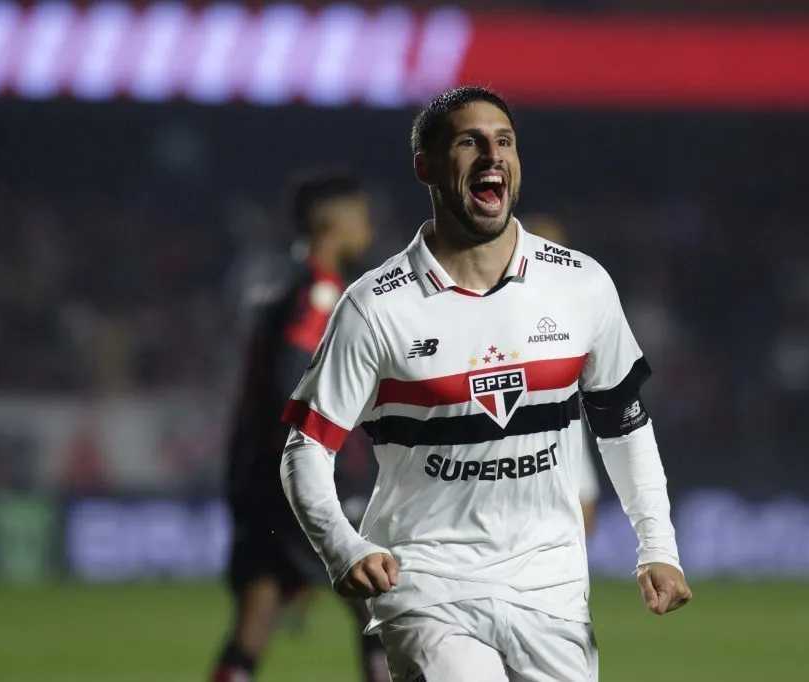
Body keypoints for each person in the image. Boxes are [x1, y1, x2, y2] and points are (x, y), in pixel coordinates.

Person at [280, 87, 691, 682]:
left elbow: (625, 425)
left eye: (503, 141)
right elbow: (306, 450)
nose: (490, 155)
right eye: (469, 142)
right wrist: (342, 547)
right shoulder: (374, 308)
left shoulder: (581, 286)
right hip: (426, 585)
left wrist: (658, 546)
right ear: (426, 166)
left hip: (551, 589)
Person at [212, 170, 390, 682]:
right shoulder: (320, 294)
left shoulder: (282, 288)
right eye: (361, 216)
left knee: (257, 615)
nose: (368, 227)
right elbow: (291, 379)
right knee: (381, 609)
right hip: (310, 475)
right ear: (334, 226)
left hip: (258, 474)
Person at [521, 213, 601, 537]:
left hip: (566, 425)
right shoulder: (501, 306)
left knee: (585, 518)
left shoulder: (573, 304)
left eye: (556, 249)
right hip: (517, 436)